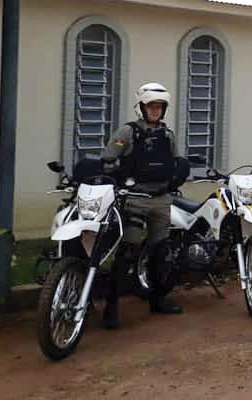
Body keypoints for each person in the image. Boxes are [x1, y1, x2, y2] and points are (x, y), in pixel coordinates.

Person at [100, 82, 183, 328]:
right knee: (128, 252)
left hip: (161, 200)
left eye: (160, 106)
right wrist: (122, 175)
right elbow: (107, 160)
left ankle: (157, 300)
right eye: (151, 106)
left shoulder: (168, 135)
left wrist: (177, 176)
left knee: (161, 252)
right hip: (135, 199)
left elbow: (177, 162)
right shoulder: (127, 132)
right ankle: (111, 307)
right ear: (141, 107)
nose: (156, 110)